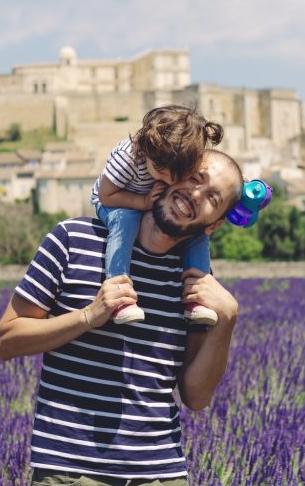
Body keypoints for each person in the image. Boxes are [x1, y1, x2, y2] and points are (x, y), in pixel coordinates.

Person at [0, 150, 244, 486]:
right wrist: (89, 316)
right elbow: (6, 339)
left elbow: (196, 396)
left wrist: (227, 321)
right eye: (194, 177)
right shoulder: (73, 240)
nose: (195, 193)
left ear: (215, 223)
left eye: (213, 197)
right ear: (173, 173)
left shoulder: (196, 284)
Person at [92, 105, 223, 327]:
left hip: (149, 200)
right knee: (126, 219)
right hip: (117, 201)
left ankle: (196, 297)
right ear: (147, 151)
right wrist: (142, 203)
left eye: (179, 176)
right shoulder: (127, 158)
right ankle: (118, 291)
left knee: (196, 232)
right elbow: (106, 196)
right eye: (162, 174)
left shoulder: (180, 156)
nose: (171, 182)